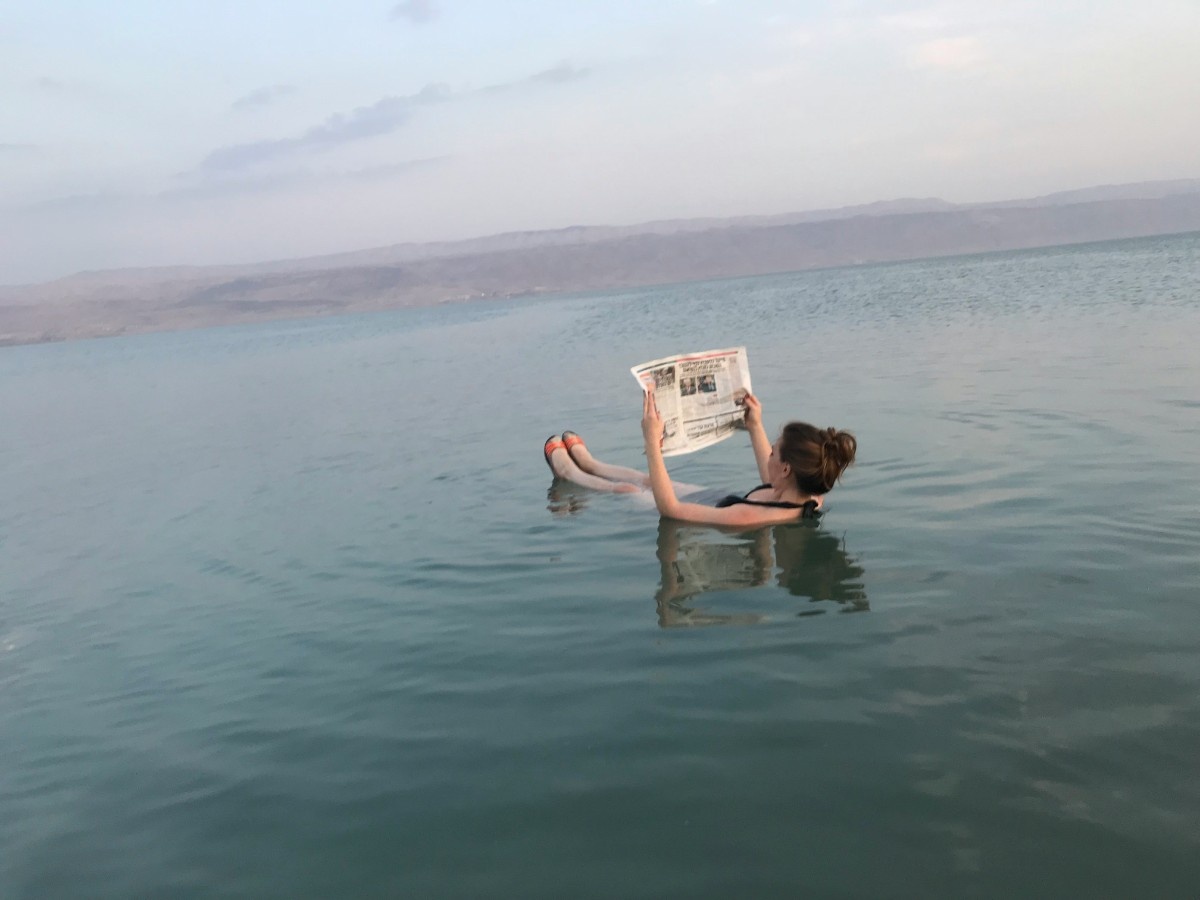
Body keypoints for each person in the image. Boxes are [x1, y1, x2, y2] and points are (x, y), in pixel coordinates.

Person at [543, 392, 857, 526]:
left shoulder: (750, 519)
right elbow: (770, 477)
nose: (769, 454)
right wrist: (754, 424)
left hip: (711, 509)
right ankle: (592, 464)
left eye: (774, 451)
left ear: (786, 467)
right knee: (650, 481)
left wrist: (652, 441)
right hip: (718, 498)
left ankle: (571, 473)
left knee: (629, 491)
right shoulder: (808, 494)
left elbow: (672, 511)